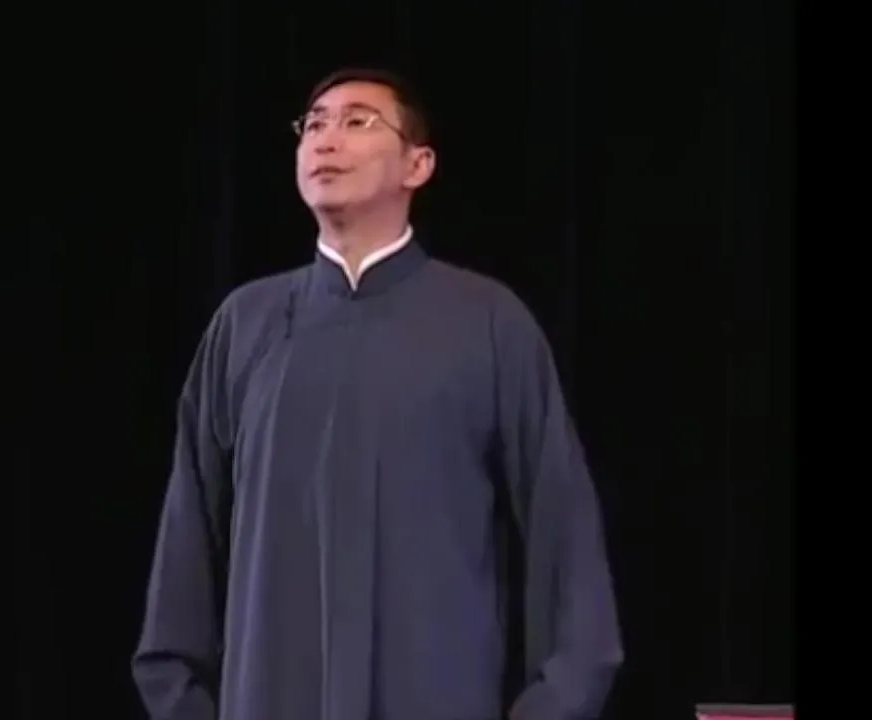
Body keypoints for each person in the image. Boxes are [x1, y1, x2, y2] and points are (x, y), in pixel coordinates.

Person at [131, 67, 624, 720]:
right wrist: (182, 700)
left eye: (357, 121)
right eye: (313, 124)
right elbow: (189, 536)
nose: (326, 139)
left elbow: (561, 533)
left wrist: (554, 705)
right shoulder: (247, 325)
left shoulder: (486, 323)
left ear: (418, 165)